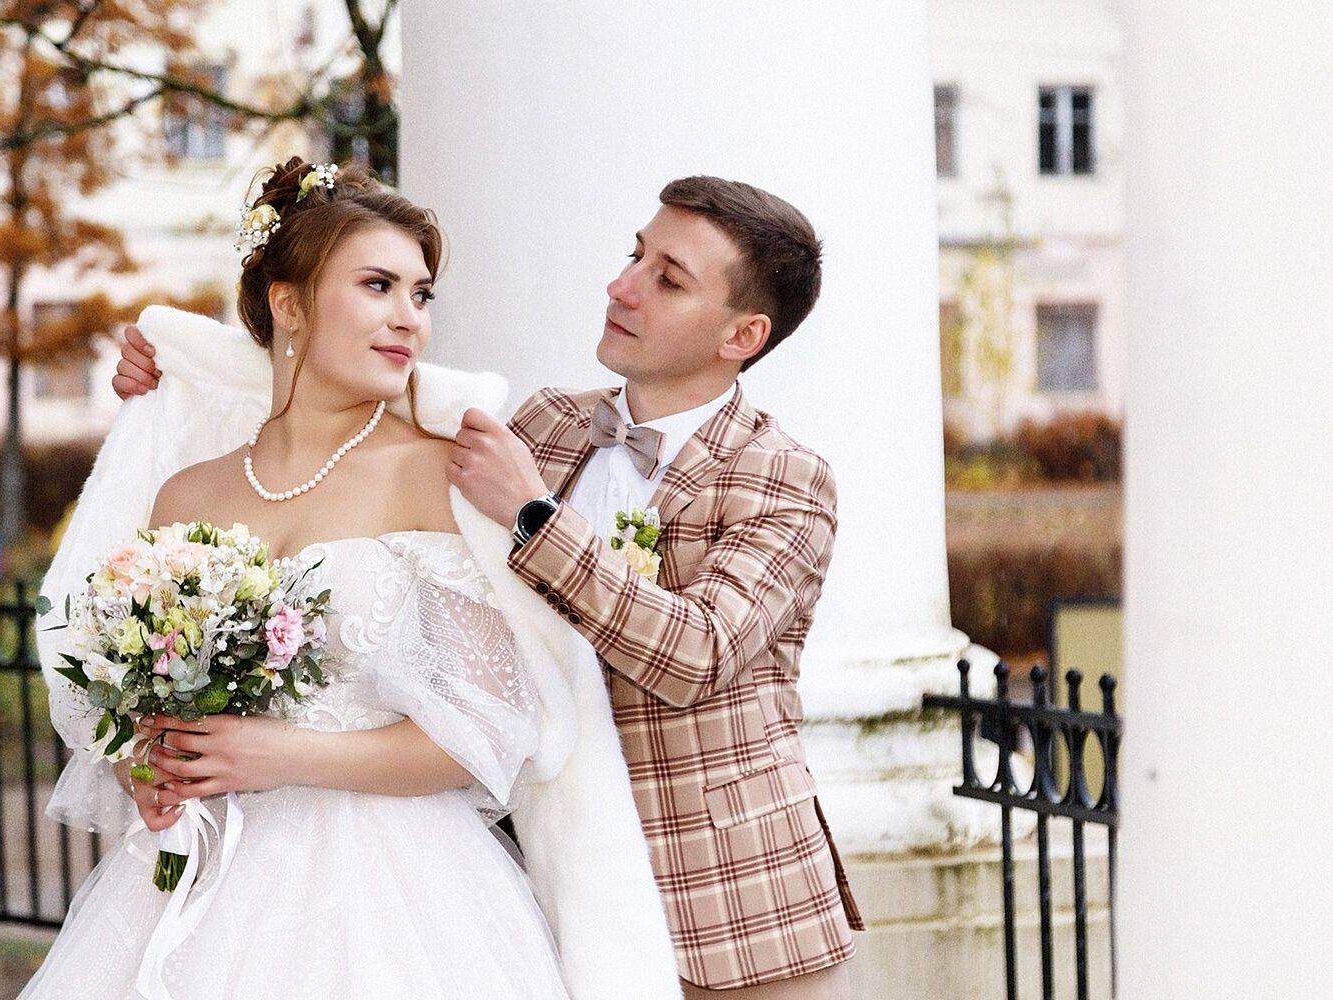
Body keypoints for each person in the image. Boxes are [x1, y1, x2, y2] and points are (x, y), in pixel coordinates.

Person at [116, 175, 863, 998]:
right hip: (538, 882)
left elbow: (698, 654)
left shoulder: (784, 478)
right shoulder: (545, 425)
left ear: (742, 334)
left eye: (668, 279)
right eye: (635, 256)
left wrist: (534, 516)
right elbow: (346, 386)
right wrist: (174, 370)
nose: (623, 286)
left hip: (726, 913)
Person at [27, 158, 679, 1000]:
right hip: (204, 880)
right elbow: (136, 705)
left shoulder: (442, 472)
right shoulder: (188, 493)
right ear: (289, 304)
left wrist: (284, 753)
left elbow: (480, 736)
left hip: (389, 897)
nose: (410, 319)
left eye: (421, 294)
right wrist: (150, 768)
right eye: (378, 286)